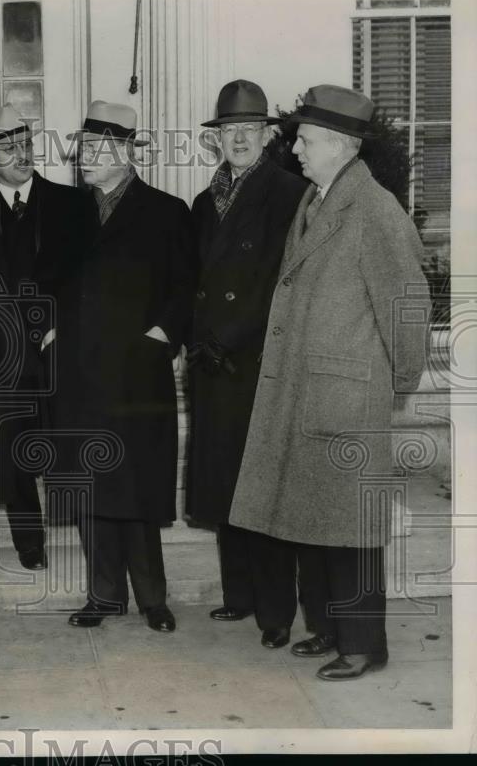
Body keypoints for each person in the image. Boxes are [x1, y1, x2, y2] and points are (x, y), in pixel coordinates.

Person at [229, 85, 431, 680]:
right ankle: (329, 629)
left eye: (306, 141)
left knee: (353, 529)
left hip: (347, 394)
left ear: (341, 146)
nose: (295, 150)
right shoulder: (321, 198)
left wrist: (396, 383)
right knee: (318, 522)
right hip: (311, 389)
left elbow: (407, 307)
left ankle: (365, 644)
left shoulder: (373, 209)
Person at [56, 101, 192, 631]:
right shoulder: (68, 212)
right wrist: (49, 331)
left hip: (138, 375)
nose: (83, 158)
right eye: (82, 148)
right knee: (92, 483)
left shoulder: (166, 210)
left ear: (123, 151)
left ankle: (153, 599)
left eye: (94, 150)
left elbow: (184, 288)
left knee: (139, 488)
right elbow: (51, 280)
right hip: (82, 373)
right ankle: (104, 595)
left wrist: (160, 336)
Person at [186, 80, 309, 648]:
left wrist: (227, 338)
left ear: (266, 136)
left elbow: (277, 284)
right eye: (227, 130)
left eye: (248, 130)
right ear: (217, 139)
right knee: (224, 483)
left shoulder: (290, 193)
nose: (237, 137)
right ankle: (239, 595)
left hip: (256, 359)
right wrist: (196, 340)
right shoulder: (204, 200)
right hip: (212, 362)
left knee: (263, 487)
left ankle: (276, 611)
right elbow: (192, 283)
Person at [0, 104, 93, 570]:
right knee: (16, 450)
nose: (19, 153)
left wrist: (65, 326)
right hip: (1, 353)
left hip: (59, 347)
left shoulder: (74, 204)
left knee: (71, 446)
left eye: (24, 142)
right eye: (5, 145)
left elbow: (87, 278)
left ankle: (91, 539)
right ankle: (29, 543)